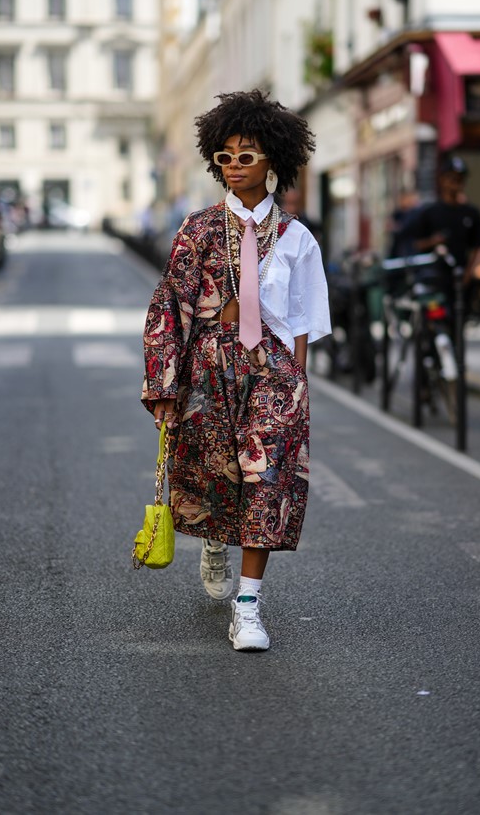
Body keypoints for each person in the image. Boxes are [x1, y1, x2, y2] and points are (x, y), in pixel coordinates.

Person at [141, 89, 331, 652]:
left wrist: (295, 382)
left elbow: (303, 316)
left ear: (273, 159)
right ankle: (216, 539)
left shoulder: (298, 238)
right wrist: (164, 387)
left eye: (246, 155)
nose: (235, 166)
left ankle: (248, 607)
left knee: (266, 478)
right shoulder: (196, 231)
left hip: (272, 373)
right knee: (214, 475)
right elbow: (168, 308)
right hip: (206, 371)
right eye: (225, 156)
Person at [411, 155, 480, 304]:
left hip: (461, 279)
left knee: (459, 321)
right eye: (451, 178)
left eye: (460, 179)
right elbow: (415, 244)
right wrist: (433, 242)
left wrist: (469, 274)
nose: (455, 184)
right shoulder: (430, 212)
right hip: (434, 279)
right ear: (442, 180)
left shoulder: (471, 213)